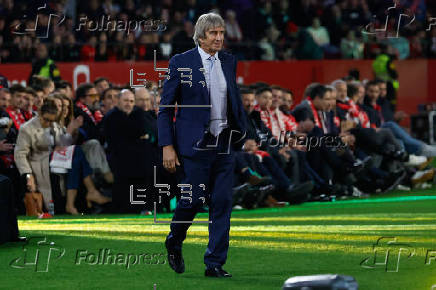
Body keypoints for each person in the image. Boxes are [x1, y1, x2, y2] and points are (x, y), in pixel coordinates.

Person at [158, 13, 246, 278]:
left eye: (221, 33)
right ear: (200, 36)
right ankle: (175, 239)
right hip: (194, 145)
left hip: (224, 143)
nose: (219, 38)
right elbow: (165, 109)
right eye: (213, 34)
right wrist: (167, 146)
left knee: (222, 202)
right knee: (192, 199)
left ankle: (214, 263)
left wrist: (243, 133)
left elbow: (234, 101)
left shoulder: (229, 61)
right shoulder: (181, 62)